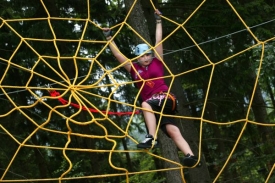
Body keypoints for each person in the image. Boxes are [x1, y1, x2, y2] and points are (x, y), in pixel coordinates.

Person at [103, 9, 201, 167]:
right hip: (155, 107)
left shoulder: (157, 61)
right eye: (142, 56)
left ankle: (151, 137)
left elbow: (158, 41)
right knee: (171, 130)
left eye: (148, 54)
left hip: (166, 98)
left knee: (145, 104)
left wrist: (158, 21)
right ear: (137, 58)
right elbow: (118, 55)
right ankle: (191, 156)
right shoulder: (133, 69)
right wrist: (109, 38)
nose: (146, 58)